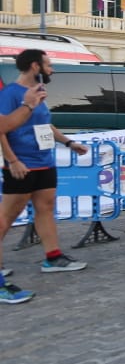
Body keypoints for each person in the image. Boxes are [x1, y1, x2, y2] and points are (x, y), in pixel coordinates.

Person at [0, 52, 88, 305]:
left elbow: (44, 124)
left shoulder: (37, 92)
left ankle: (53, 256)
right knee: (6, 218)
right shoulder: (11, 94)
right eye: (48, 65)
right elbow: (2, 130)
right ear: (35, 65)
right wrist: (13, 160)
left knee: (46, 208)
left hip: (44, 162)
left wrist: (69, 142)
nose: (52, 70)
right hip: (22, 165)